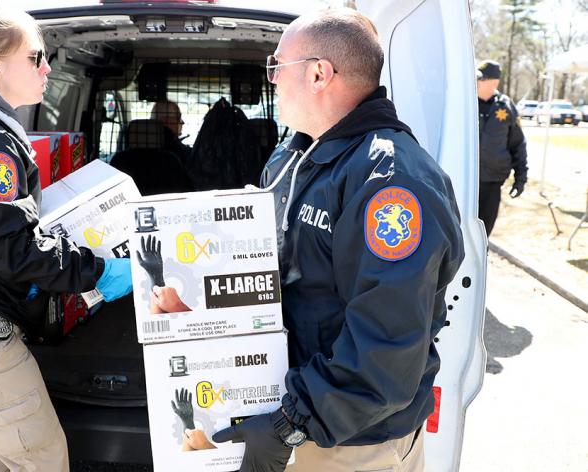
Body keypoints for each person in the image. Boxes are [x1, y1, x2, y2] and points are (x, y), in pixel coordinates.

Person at [211, 9, 465, 472]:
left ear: (318, 73)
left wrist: (291, 423)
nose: (271, 79)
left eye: (276, 65)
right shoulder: (296, 156)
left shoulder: (391, 181)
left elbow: (386, 345)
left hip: (351, 442)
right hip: (302, 416)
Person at [0, 11, 132, 472]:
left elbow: (3, 236)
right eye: (35, 58)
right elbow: (15, 250)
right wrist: (100, 272)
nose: (47, 69)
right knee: (42, 459)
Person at [476, 59, 528, 236]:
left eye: (481, 79)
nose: (476, 82)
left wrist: (520, 178)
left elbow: (517, 144)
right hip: (466, 180)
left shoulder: (505, 107)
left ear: (494, 82)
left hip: (492, 181)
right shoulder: (465, 103)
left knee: (484, 231)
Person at [150, 100, 192, 164]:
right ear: (166, 121)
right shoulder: (184, 154)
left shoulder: (140, 150)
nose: (182, 122)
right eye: (178, 117)